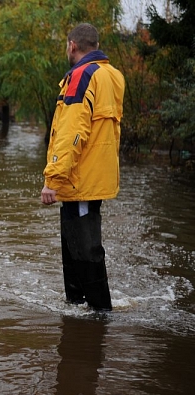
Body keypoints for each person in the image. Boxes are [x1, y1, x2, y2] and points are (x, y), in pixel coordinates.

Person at [40, 23, 125, 312]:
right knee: (74, 247)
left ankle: (100, 314)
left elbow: (71, 132)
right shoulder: (113, 76)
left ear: (72, 45)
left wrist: (53, 177)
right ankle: (78, 311)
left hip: (80, 179)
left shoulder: (81, 76)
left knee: (84, 248)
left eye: (67, 46)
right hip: (95, 177)